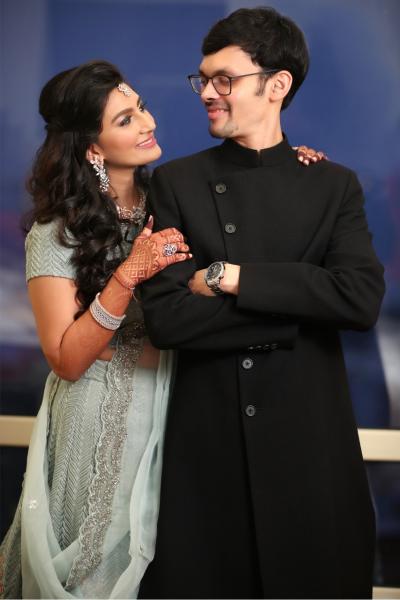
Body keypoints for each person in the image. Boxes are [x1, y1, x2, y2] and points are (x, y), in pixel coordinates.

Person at [0, 59, 319, 599]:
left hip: (177, 407)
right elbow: (67, 359)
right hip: (98, 419)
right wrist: (129, 274)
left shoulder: (175, 199)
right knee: (90, 575)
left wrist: (292, 164)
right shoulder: (58, 231)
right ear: (92, 148)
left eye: (141, 108)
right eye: (125, 120)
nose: (148, 122)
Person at [138, 7, 385, 600]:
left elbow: (358, 299)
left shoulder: (332, 185)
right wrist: (297, 308)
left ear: (277, 85)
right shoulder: (176, 182)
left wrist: (231, 277)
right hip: (208, 451)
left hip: (309, 447)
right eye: (204, 80)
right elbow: (167, 318)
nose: (207, 94)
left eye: (225, 80)